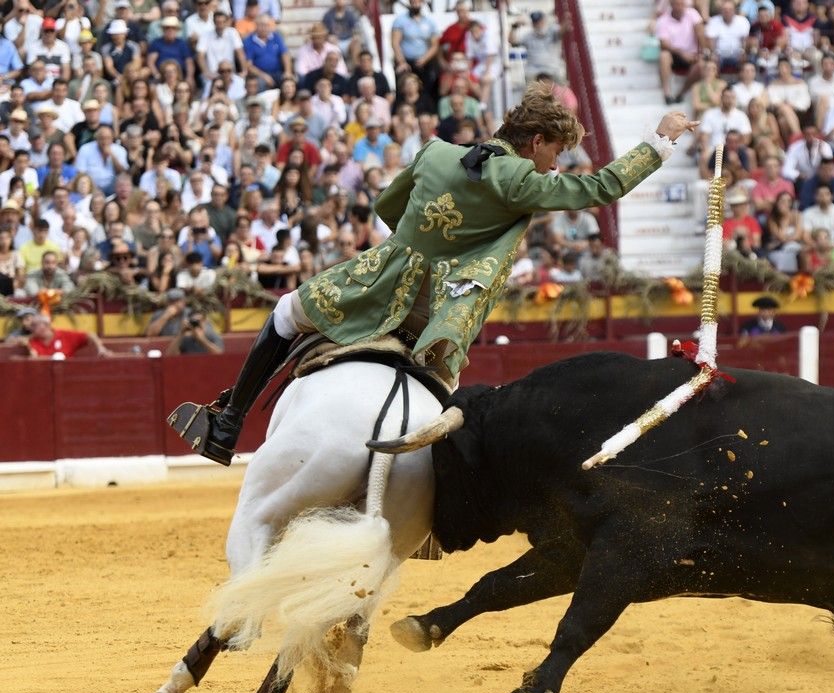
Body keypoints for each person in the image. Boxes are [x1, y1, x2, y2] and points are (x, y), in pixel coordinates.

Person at [170, 87, 696, 465]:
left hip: (376, 282)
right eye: (555, 152)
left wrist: (419, 245)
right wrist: (661, 140)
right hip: (442, 309)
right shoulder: (521, 180)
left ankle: (228, 424)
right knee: (443, 387)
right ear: (536, 141)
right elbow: (600, 188)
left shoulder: (437, 150)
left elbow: (386, 205)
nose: (554, 165)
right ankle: (431, 515)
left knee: (286, 313)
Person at [22, 313, 112, 358]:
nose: (31, 329)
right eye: (31, 326)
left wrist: (101, 348)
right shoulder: (31, 341)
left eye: (34, 325)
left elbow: (90, 334)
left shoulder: (65, 335)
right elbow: (34, 359)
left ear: (46, 325)